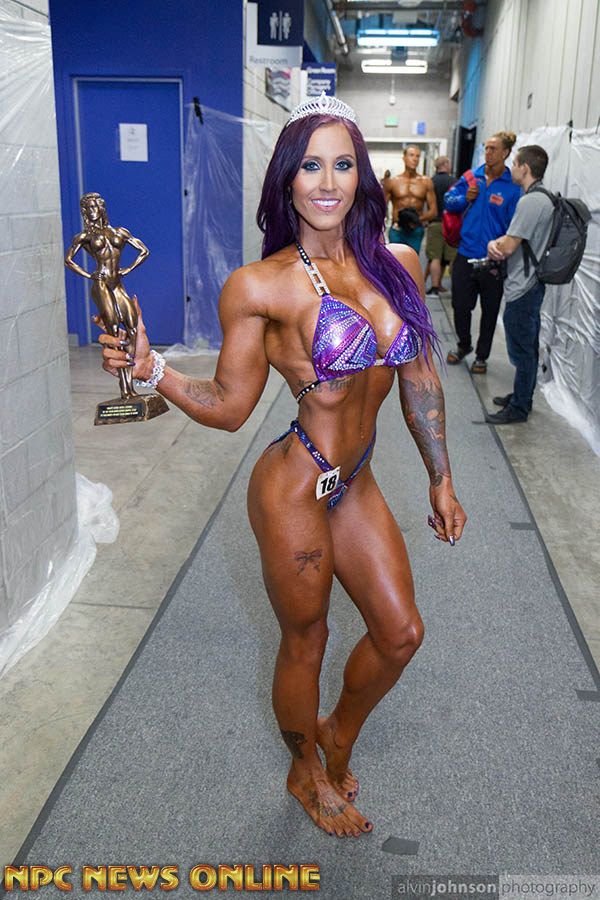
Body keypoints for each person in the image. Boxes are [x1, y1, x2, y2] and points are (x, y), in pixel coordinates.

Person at [98, 94, 467, 839]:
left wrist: (440, 476)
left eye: (343, 165)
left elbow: (420, 375)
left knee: (401, 634)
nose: (327, 182)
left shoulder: (396, 264)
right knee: (308, 640)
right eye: (310, 166)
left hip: (355, 480)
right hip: (294, 486)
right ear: (287, 179)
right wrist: (153, 371)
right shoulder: (260, 285)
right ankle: (305, 772)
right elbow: (229, 406)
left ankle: (336, 733)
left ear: (362, 176)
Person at [484, 145, 553, 424]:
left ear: (525, 168)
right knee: (528, 347)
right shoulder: (543, 198)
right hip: (532, 283)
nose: (511, 168)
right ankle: (522, 396)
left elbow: (509, 246)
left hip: (523, 287)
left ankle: (519, 408)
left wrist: (493, 244)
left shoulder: (531, 202)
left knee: (522, 351)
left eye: (515, 164)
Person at [444, 132, 521, 374]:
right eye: (486, 148)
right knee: (460, 305)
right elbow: (448, 201)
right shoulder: (471, 177)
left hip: (493, 261)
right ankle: (464, 344)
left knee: (489, 311)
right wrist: (463, 199)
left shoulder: (513, 187)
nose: (488, 153)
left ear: (505, 153)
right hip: (465, 254)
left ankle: (481, 356)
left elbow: (515, 225)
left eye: (493, 149)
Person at [65, 192, 149, 400]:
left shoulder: (119, 232)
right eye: (88, 208)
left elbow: (144, 251)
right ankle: (125, 388)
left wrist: (128, 269)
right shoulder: (84, 237)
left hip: (117, 283)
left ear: (101, 208)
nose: (92, 211)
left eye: (95, 206)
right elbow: (69, 260)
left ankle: (132, 382)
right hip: (101, 283)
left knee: (132, 327)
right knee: (113, 330)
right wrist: (89, 275)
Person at [384, 145, 437, 254]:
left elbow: (433, 211)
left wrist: (416, 220)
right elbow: (381, 208)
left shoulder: (426, 182)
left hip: (416, 230)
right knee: (395, 262)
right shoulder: (393, 182)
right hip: (397, 229)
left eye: (417, 156)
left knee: (413, 262)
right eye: (411, 155)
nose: (415, 159)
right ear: (404, 158)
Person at [424, 156, 456, 296]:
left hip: (435, 222)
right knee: (452, 257)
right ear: (446, 164)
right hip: (451, 225)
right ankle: (456, 287)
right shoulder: (454, 182)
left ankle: (435, 287)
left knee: (435, 256)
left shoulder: (430, 181)